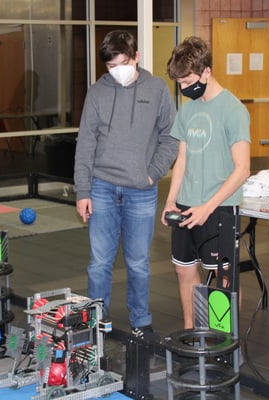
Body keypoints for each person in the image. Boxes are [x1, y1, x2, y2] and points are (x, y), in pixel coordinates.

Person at [74, 30, 178, 340]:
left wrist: (153, 172)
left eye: (122, 63)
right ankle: (97, 320)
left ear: (136, 57)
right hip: (102, 186)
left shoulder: (157, 89)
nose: (116, 71)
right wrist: (83, 191)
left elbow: (170, 137)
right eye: (110, 66)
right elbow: (86, 144)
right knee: (99, 262)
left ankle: (141, 321)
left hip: (141, 190)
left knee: (138, 262)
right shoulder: (97, 92)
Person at [161, 36, 251, 329]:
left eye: (188, 81)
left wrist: (208, 208)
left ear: (207, 72)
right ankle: (191, 332)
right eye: (179, 83)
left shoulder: (233, 110)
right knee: (183, 271)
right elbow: (182, 159)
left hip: (220, 207)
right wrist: (171, 200)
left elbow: (242, 169)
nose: (184, 88)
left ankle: (222, 339)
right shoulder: (187, 110)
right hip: (187, 204)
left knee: (222, 278)